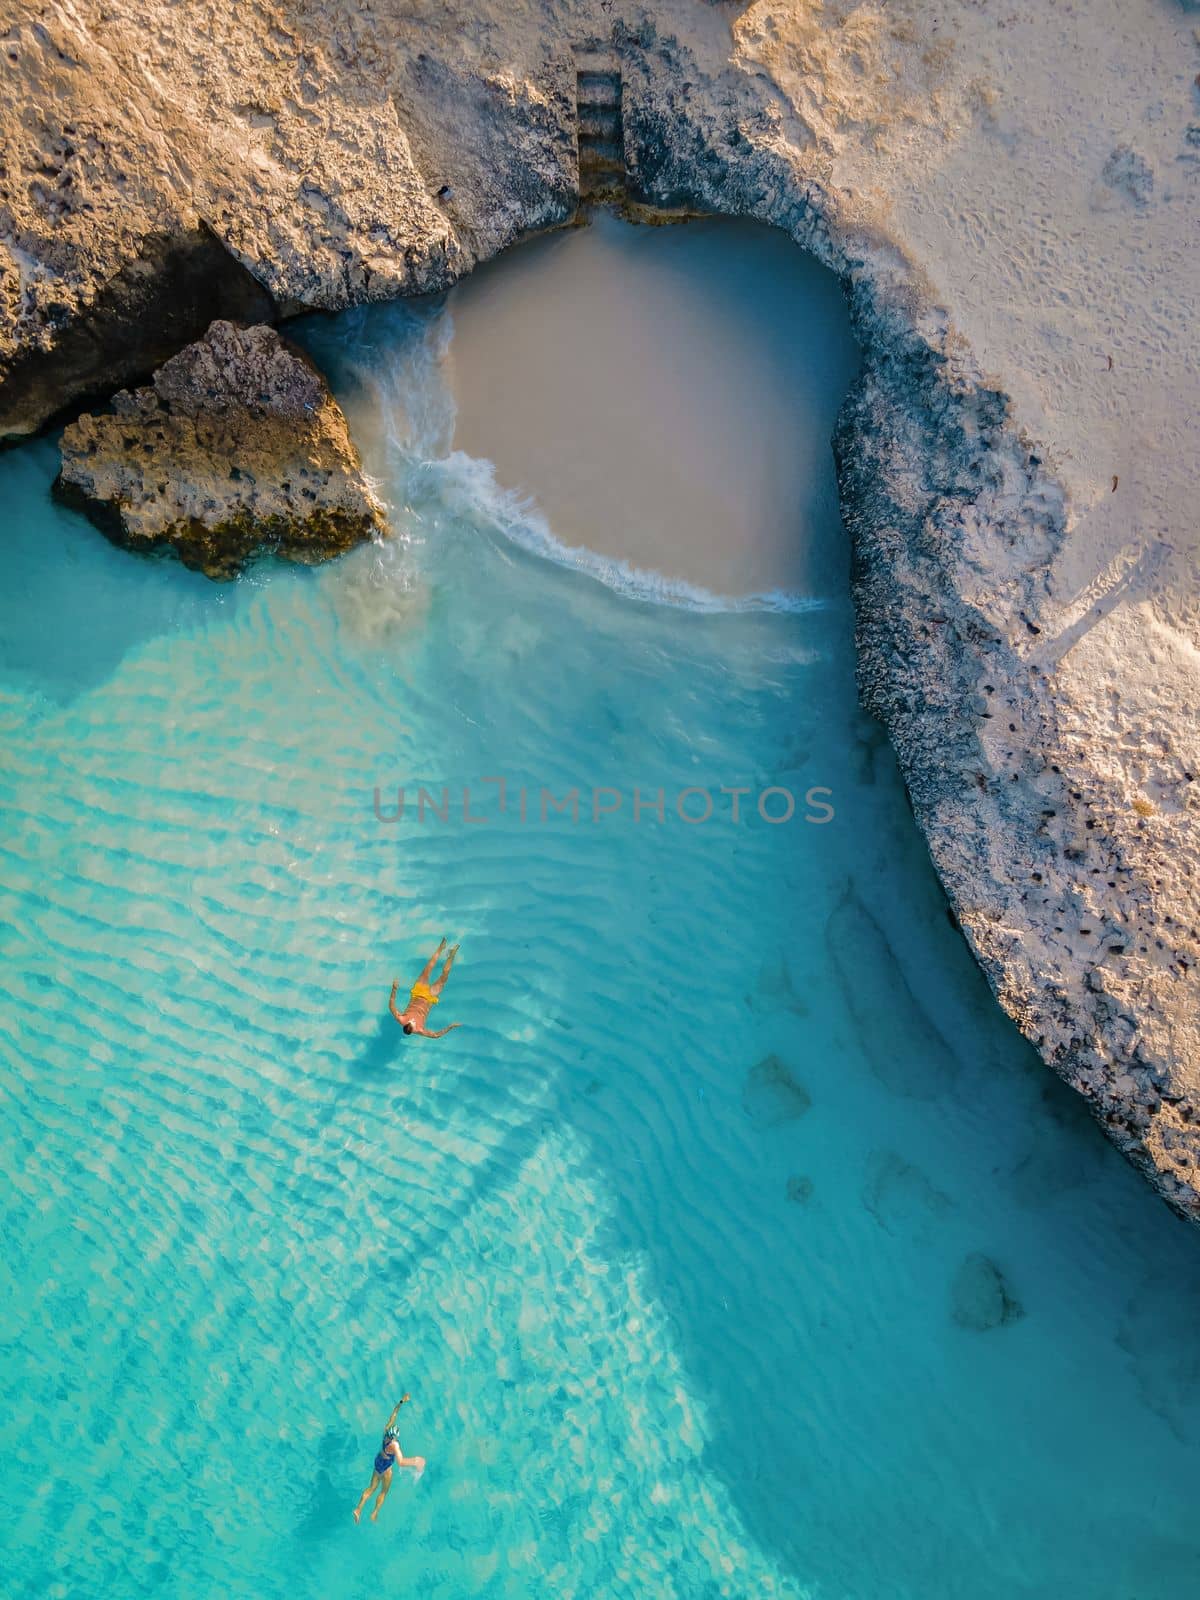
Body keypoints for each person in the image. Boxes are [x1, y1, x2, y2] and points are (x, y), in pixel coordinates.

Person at [353, 1395, 426, 1524]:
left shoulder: (386, 1431)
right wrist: (416, 1461)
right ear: (394, 1438)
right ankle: (374, 1513)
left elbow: (393, 1415)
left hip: (378, 1462)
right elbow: (401, 1462)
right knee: (384, 1491)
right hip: (386, 1467)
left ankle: (358, 1509)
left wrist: (401, 1402)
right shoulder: (394, 1445)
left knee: (371, 1488)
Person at [390, 937, 462, 1039]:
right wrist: (450, 1027)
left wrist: (394, 989)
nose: (412, 1021)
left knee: (428, 968)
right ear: (413, 1029)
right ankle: (452, 954)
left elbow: (391, 1006)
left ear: (406, 1024)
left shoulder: (401, 1019)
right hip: (429, 998)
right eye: (413, 1024)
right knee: (444, 976)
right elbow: (436, 1035)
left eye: (410, 1022)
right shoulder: (419, 1030)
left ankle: (441, 948)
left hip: (418, 993)